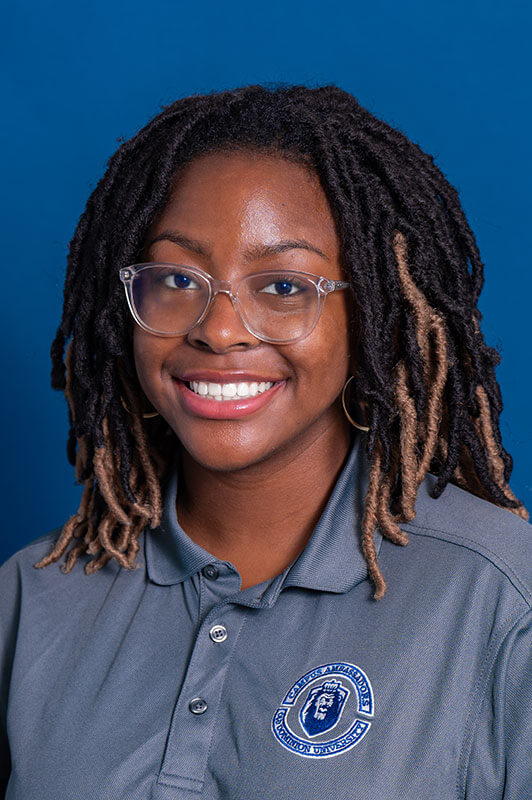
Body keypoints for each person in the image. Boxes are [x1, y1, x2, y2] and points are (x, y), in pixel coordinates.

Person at [1, 83, 531, 800]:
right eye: (178, 278)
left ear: (373, 311)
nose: (218, 330)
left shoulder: (502, 600)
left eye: (283, 286)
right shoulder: (30, 600)